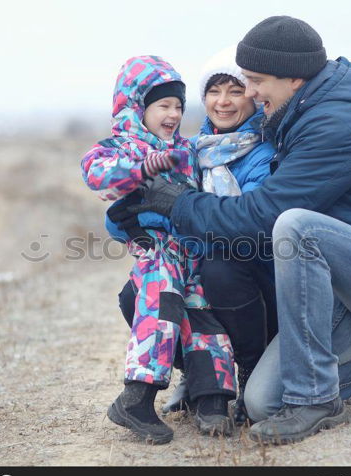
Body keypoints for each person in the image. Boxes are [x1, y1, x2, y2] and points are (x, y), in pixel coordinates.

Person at [124, 16, 351, 445]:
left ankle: (316, 401)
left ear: (295, 78)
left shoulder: (337, 126)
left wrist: (181, 202)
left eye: (255, 81)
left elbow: (264, 215)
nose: (248, 93)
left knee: (296, 226)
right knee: (264, 403)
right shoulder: (296, 117)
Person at [113, 46, 277, 426]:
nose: (223, 102)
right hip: (201, 259)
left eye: (235, 91)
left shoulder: (265, 154)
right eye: (214, 92)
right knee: (138, 292)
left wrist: (179, 210)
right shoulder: (191, 150)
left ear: (252, 95)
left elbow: (244, 226)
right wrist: (123, 218)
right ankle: (200, 380)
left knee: (218, 271)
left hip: (254, 274)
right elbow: (139, 209)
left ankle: (251, 372)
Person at [81, 55, 236, 445]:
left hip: (191, 252)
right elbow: (96, 174)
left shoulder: (185, 150)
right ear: (137, 107)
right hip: (157, 255)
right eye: (163, 105)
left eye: (179, 107)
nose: (173, 114)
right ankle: (138, 395)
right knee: (162, 306)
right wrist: (144, 167)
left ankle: (212, 397)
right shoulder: (121, 147)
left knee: (203, 313)